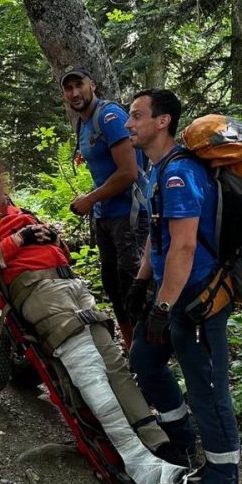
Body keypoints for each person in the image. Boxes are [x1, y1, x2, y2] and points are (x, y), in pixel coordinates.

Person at [0, 160, 187, 484]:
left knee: (114, 364)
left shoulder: (23, 213)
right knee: (87, 367)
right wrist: (19, 239)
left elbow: (61, 251)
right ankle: (133, 455)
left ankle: (158, 443)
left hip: (71, 285)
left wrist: (52, 238)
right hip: (38, 291)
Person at [125, 89, 241, 484]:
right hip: (171, 294)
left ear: (163, 121)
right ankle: (181, 440)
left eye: (137, 115)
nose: (128, 123)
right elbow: (160, 235)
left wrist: (163, 307)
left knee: (208, 391)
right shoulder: (158, 169)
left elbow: (185, 246)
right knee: (145, 360)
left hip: (198, 302)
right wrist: (141, 283)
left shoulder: (179, 174)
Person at [60, 66, 147, 348]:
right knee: (112, 285)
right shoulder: (83, 123)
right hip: (106, 216)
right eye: (68, 88)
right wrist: (93, 200)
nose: (74, 93)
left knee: (133, 285)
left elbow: (129, 172)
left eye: (79, 85)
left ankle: (148, 351)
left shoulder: (109, 117)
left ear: (92, 85)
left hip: (129, 215)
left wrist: (90, 199)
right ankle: (132, 347)